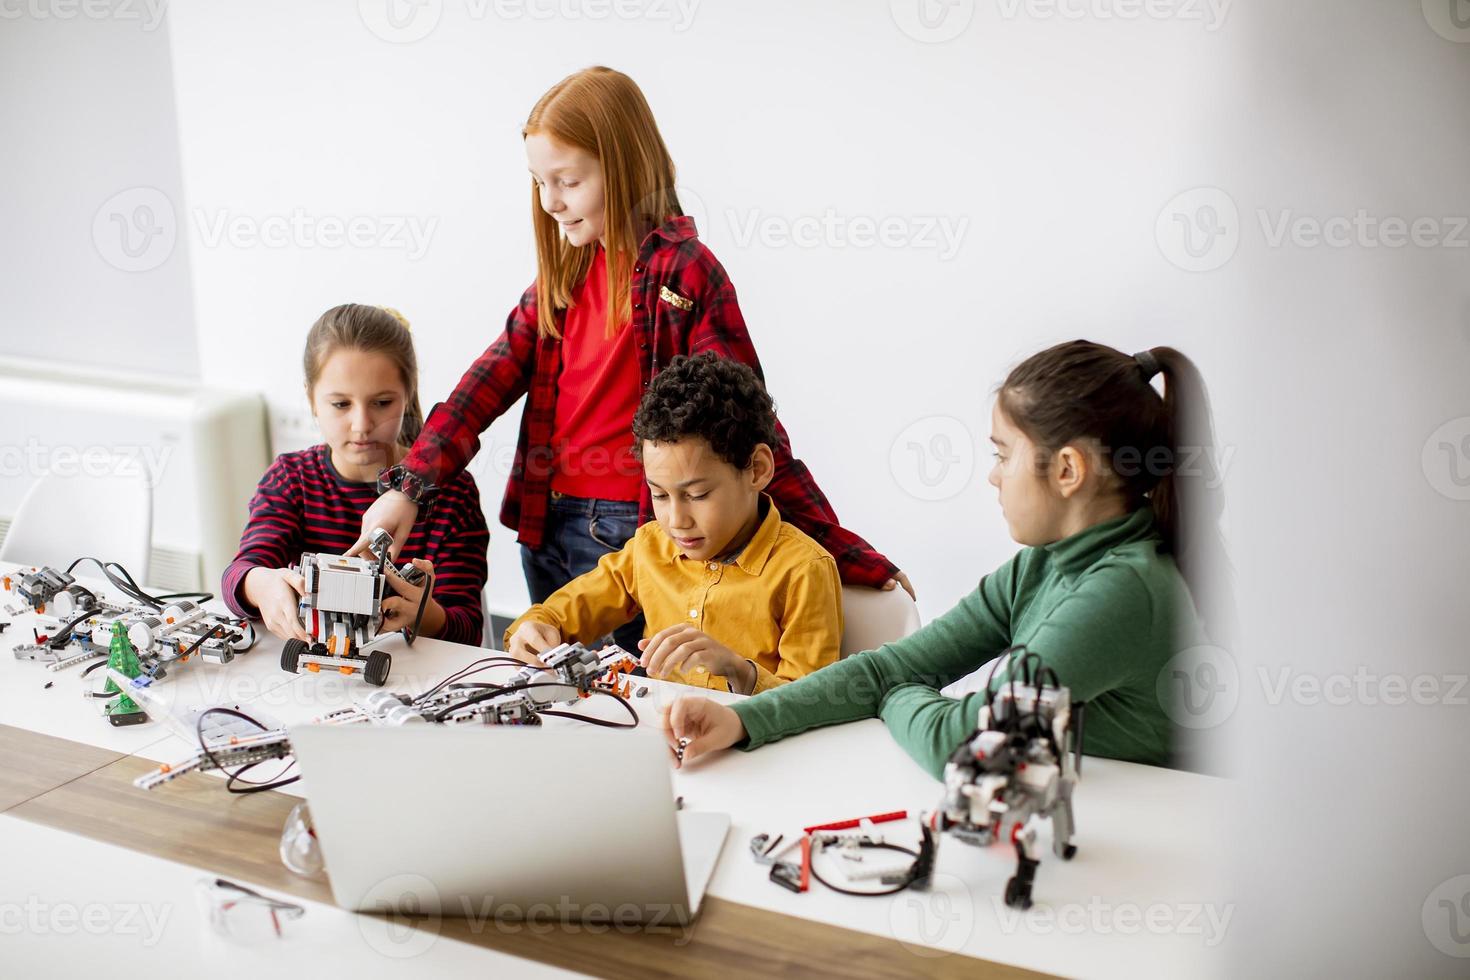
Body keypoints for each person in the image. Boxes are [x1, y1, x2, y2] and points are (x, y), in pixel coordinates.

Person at [348, 66, 909, 654]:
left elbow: (752, 431)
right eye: (539, 182)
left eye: (566, 181)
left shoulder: (687, 275)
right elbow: (479, 391)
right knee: (553, 695)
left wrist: (850, 553)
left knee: (632, 699)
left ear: (621, 166)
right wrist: (407, 488)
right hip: (546, 526)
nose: (550, 202)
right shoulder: (563, 275)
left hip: (634, 530)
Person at [662, 340, 1225, 774]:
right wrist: (740, 720)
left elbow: (965, 743)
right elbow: (888, 667)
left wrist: (898, 694)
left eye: (1003, 455)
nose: (993, 476)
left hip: (1144, 845)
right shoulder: (1043, 566)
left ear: (1068, 471)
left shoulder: (1122, 591)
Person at [504, 353, 843, 694]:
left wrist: (738, 670)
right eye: (660, 495)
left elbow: (811, 700)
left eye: (697, 495)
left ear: (756, 469)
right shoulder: (650, 547)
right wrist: (535, 628)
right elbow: (562, 612)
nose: (676, 521)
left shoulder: (804, 570)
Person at [222, 304, 488, 645]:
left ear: (407, 396)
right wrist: (259, 584)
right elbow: (238, 574)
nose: (362, 425)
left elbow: (467, 631)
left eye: (381, 403)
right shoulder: (291, 480)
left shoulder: (452, 493)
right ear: (311, 399)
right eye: (341, 404)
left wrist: (425, 614)